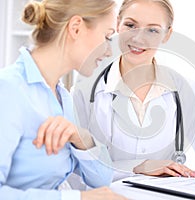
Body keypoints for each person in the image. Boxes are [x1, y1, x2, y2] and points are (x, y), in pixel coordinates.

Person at [73, 0, 195, 181]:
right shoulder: (85, 93)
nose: (138, 38)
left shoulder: (186, 92)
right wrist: (138, 167)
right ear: (118, 24)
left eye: (152, 30)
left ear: (167, 35)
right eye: (130, 25)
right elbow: (75, 168)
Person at [0, 0, 127, 199]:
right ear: (76, 28)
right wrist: (79, 198)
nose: (109, 51)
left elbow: (102, 180)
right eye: (107, 36)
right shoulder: (8, 90)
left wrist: (82, 139)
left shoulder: (63, 98)